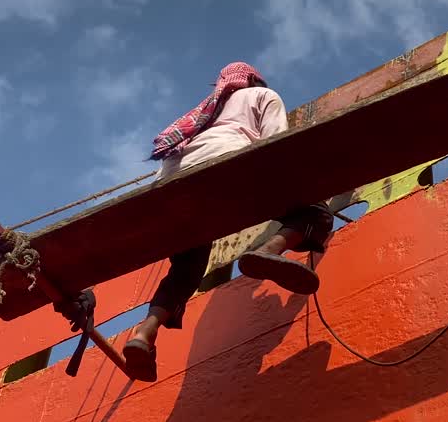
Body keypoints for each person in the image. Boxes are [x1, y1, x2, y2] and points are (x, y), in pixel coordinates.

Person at [118, 61, 333, 382]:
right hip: (225, 170)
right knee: (315, 210)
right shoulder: (262, 96)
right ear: (254, 80)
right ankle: (271, 250)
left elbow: (167, 163)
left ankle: (144, 333)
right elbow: (276, 147)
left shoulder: (201, 114)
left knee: (185, 270)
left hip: (173, 191)